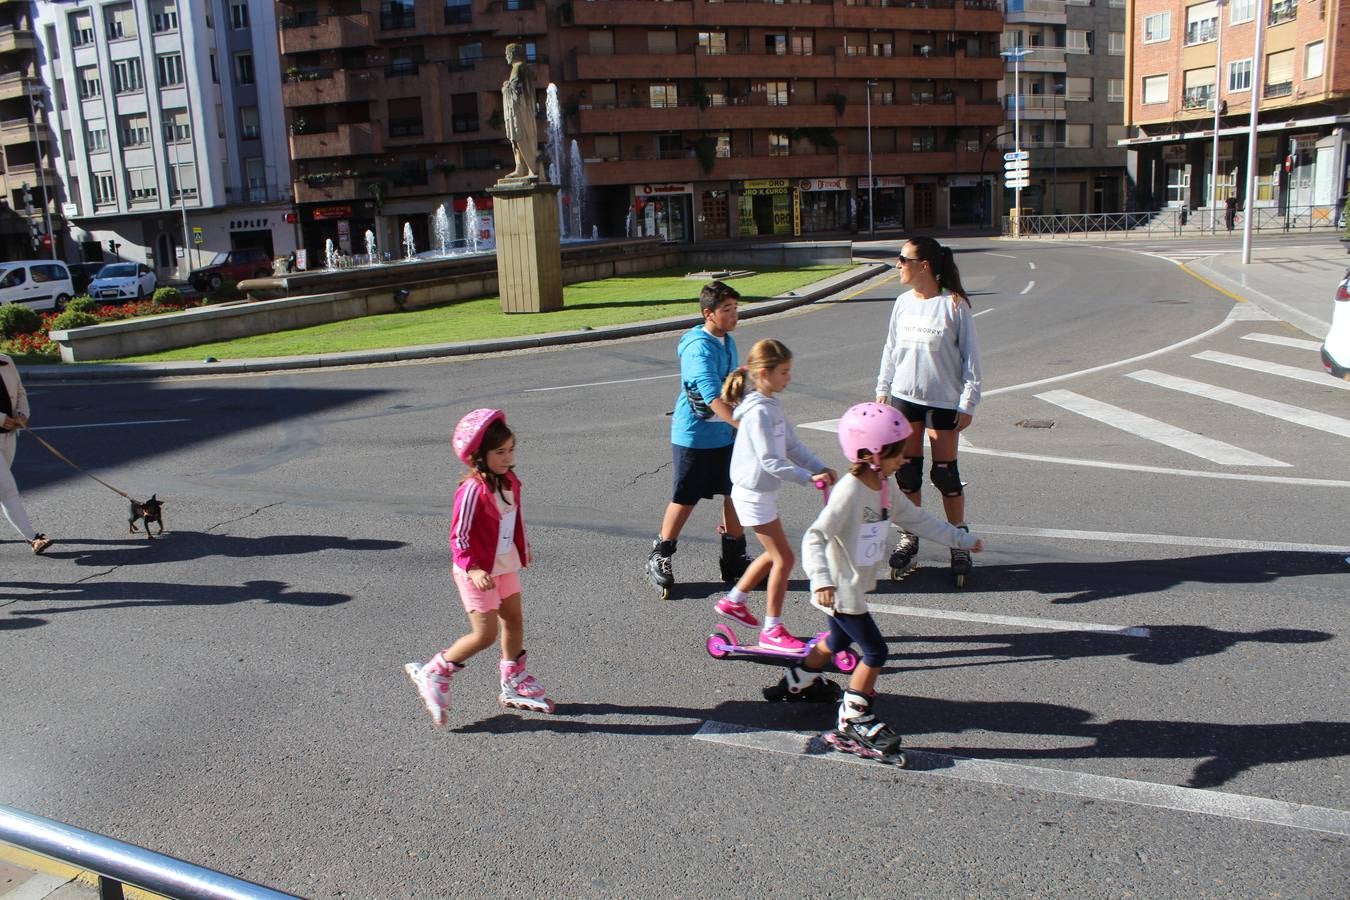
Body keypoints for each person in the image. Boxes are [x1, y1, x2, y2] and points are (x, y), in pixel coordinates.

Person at [767, 402, 983, 756]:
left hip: (852, 586)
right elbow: (814, 536)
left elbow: (917, 519)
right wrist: (821, 579)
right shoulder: (850, 491)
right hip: (839, 589)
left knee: (835, 639)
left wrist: (961, 538)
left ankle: (797, 682)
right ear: (873, 454)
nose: (904, 460)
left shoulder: (883, 486)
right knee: (875, 651)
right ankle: (854, 720)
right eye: (899, 453)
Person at [404, 408, 553, 725]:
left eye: (511, 450)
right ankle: (435, 671)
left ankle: (512, 678)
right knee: (484, 635)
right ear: (479, 455)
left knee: (513, 619)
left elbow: (511, 519)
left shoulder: (509, 480)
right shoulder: (472, 490)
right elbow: (459, 536)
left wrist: (522, 549)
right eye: (500, 452)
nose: (508, 457)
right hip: (477, 572)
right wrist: (473, 569)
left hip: (502, 563)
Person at [715, 339, 836, 651]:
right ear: (765, 374)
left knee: (774, 554)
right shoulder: (757, 413)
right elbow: (771, 460)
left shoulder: (770, 404)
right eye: (784, 372)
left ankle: (734, 601)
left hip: (760, 493)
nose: (789, 378)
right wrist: (809, 478)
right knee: (785, 558)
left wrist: (820, 466)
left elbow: (792, 446)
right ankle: (772, 630)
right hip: (752, 494)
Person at [875, 236, 982, 580]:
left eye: (903, 259)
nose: (898, 265)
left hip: (943, 401)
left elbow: (971, 359)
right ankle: (910, 537)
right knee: (907, 472)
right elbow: (891, 348)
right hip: (905, 398)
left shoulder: (954, 305)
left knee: (945, 474)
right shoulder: (903, 302)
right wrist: (882, 389)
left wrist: (968, 402)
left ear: (924, 266)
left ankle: (959, 542)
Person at [644, 281, 752, 597]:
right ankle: (660, 554)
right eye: (727, 310)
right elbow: (709, 394)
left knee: (734, 493)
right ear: (708, 313)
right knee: (685, 498)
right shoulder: (697, 348)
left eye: (735, 309)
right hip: (695, 436)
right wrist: (742, 424)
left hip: (724, 434)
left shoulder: (726, 340)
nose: (734, 315)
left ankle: (734, 559)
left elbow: (728, 385)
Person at [0, 355, 53, 555]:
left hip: (9, 436)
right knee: (7, 488)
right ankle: (33, 538)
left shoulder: (5, 361)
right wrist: (1, 418)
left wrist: (23, 413)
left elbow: (20, 391)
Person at [500, 43, 539, 181]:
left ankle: (528, 168)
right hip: (520, 111)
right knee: (516, 140)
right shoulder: (523, 68)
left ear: (512, 54)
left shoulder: (518, 67)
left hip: (519, 112)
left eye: (507, 54)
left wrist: (505, 87)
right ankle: (520, 167)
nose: (506, 57)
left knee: (520, 138)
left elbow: (516, 89)